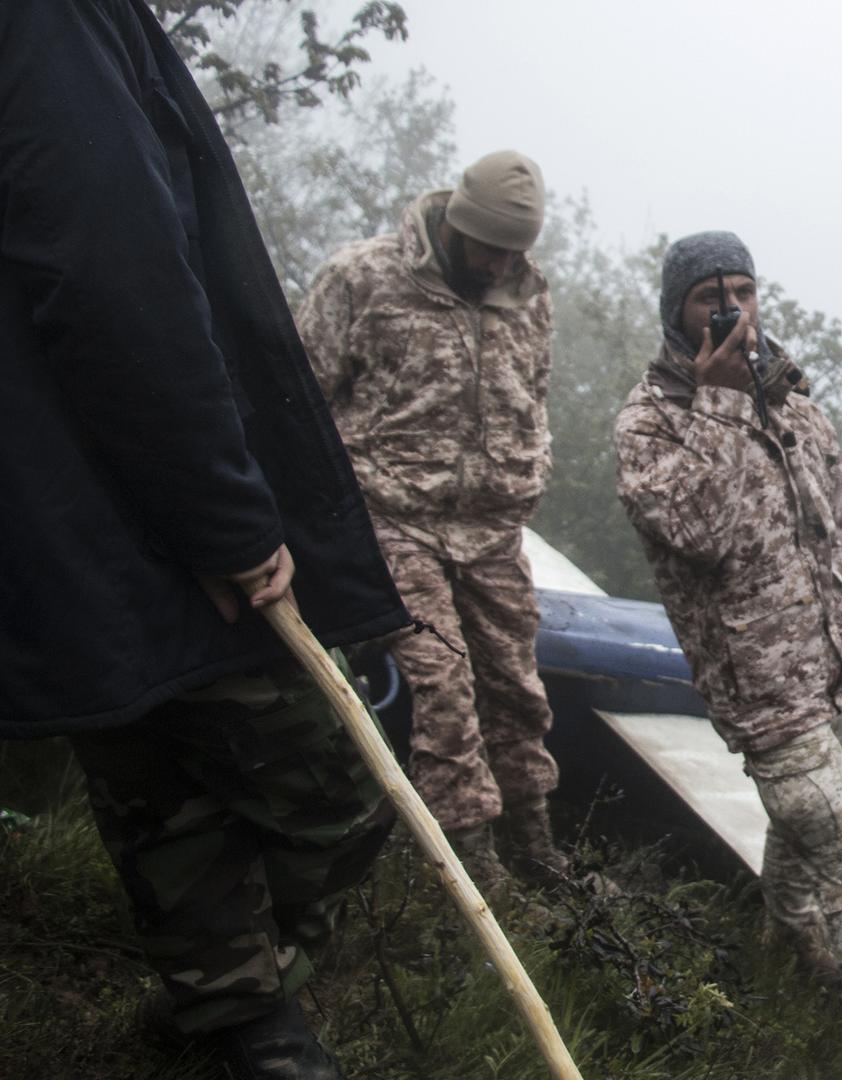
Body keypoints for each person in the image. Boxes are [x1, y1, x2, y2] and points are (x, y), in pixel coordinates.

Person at [0, 1, 411, 1074]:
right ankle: (230, 1013)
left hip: (69, 504)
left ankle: (226, 1013)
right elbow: (112, 271)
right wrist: (223, 517)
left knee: (159, 767)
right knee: (324, 787)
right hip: (123, 502)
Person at [613, 232, 842, 1079]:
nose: (732, 309)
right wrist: (722, 402)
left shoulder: (797, 405)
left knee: (805, 837)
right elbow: (701, 533)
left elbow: (834, 530)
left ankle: (787, 938)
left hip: (826, 663)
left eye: (743, 290)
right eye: (709, 297)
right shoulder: (651, 422)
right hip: (760, 686)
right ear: (678, 311)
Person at [297, 151, 566, 890]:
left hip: (492, 533)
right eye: (490, 246)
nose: (501, 263)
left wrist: (529, 465)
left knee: (517, 690)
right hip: (393, 518)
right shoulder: (363, 279)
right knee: (442, 682)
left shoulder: (528, 295)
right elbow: (301, 399)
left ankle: (535, 850)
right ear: (455, 223)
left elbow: (532, 393)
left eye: (517, 250)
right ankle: (471, 869)